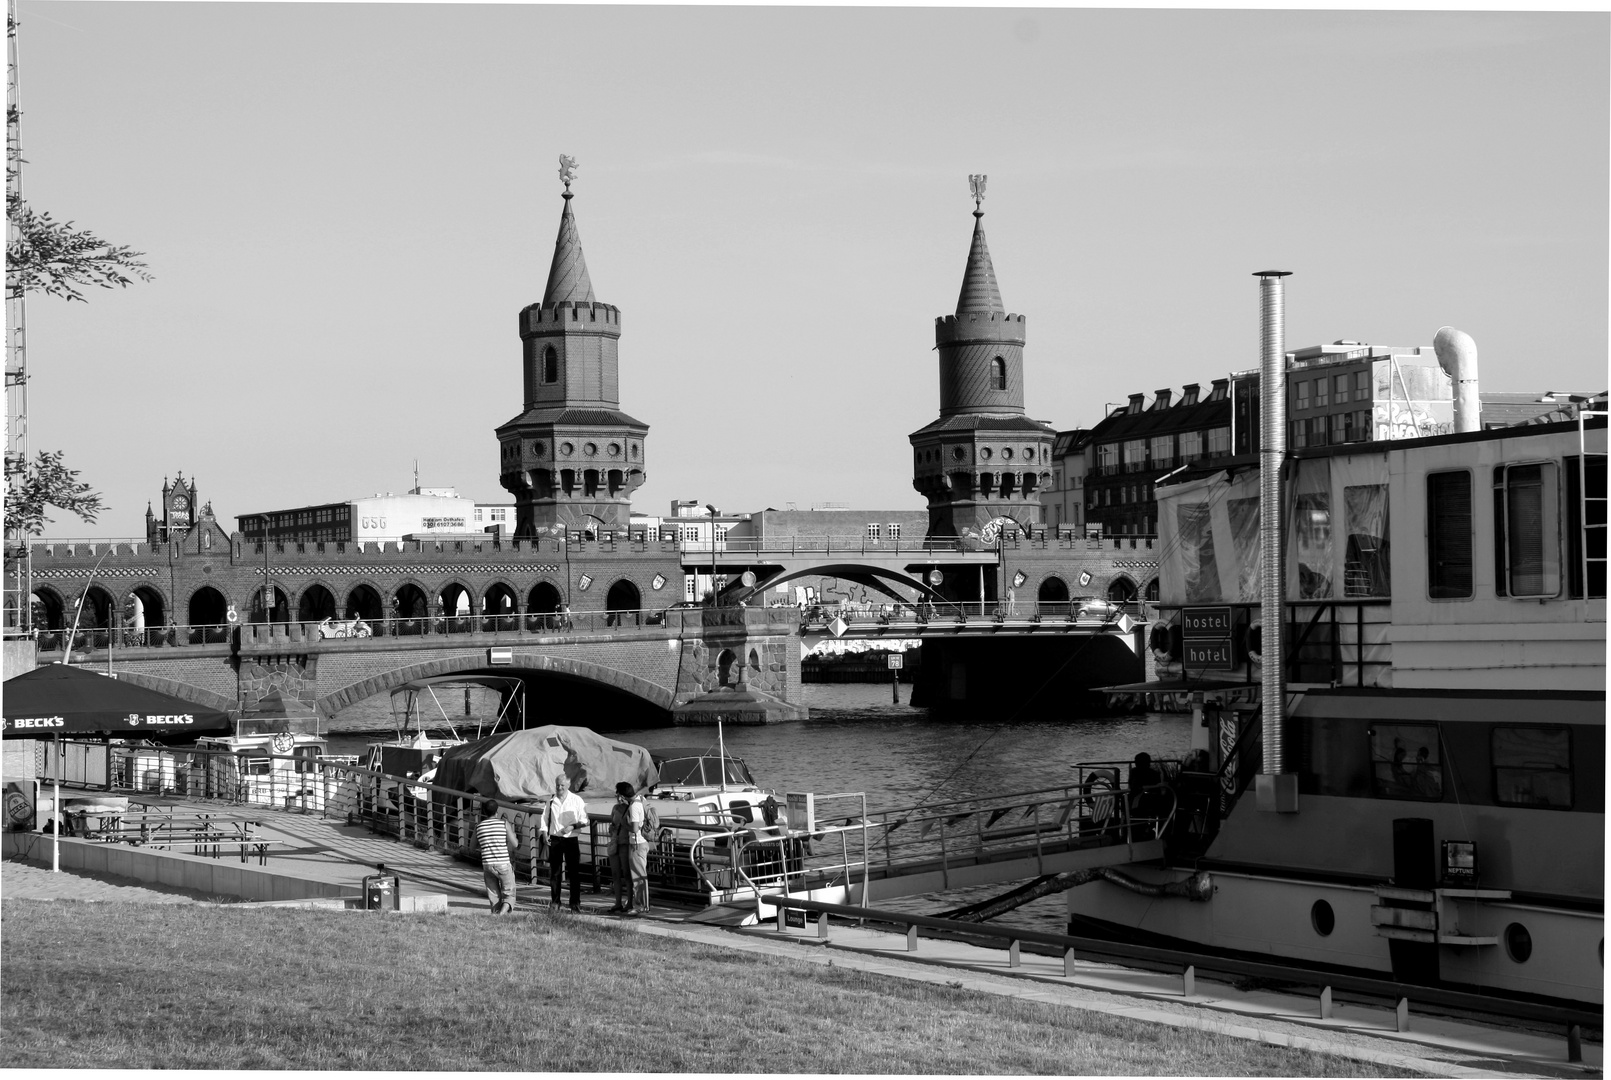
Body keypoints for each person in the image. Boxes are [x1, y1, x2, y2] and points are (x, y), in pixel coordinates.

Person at [539, 773, 588, 912]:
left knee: (574, 872)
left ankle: (575, 904)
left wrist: (573, 826)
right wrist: (544, 833)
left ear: (568, 785)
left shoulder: (576, 800)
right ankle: (555, 902)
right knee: (555, 872)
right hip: (555, 839)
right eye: (557, 785)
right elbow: (545, 817)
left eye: (562, 785)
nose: (559, 788)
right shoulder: (551, 800)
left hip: (571, 839)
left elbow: (585, 820)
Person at [475, 799, 517, 915]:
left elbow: (471, 846)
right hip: (503, 863)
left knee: (494, 895)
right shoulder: (504, 823)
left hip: (487, 864)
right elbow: (515, 844)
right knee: (509, 892)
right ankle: (501, 915)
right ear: (497, 811)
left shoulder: (479, 826)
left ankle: (495, 914)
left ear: (484, 812)